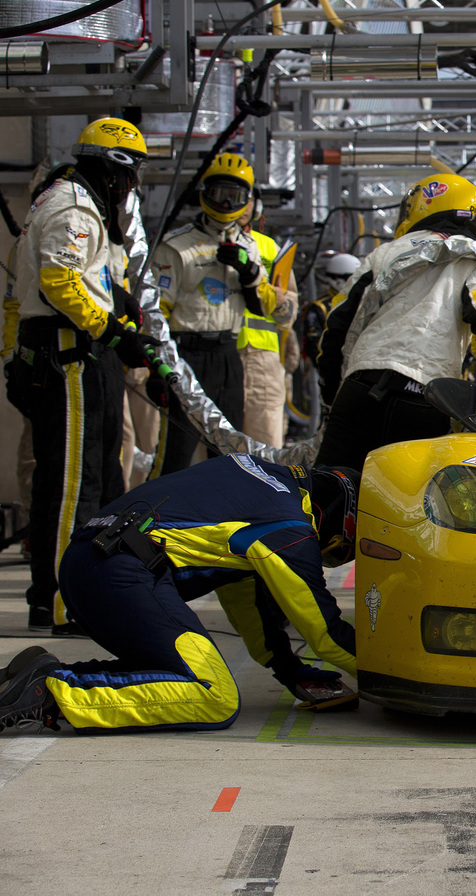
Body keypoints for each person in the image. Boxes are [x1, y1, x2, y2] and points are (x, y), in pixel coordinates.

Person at [0, 457, 359, 733]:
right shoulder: (290, 527)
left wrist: (289, 668)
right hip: (122, 572)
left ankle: (42, 676)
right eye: (342, 551)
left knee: (172, 672)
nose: (330, 559)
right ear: (345, 521)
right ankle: (50, 693)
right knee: (214, 696)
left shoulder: (255, 472)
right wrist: (398, 676)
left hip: (89, 561)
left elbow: (244, 593)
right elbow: (326, 635)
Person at [5, 118, 165, 633]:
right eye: (132, 172)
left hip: (86, 356)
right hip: (70, 355)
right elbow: (57, 280)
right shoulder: (71, 204)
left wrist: (118, 306)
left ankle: (87, 587)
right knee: (73, 485)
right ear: (113, 169)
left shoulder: (83, 206)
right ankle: (58, 600)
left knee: (104, 480)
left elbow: (79, 277)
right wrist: (114, 332)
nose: (132, 185)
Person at [315, 173, 476, 472]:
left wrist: (331, 396)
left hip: (360, 387)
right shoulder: (475, 258)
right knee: (411, 506)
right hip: (427, 396)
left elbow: (336, 325)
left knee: (329, 492)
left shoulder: (383, 253)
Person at [151, 154, 277, 476]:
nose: (224, 203)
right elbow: (156, 311)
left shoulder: (250, 247)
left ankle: (224, 521)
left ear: (247, 201)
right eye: (218, 193)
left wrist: (248, 272)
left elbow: (264, 308)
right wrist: (157, 366)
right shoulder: (176, 247)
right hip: (186, 353)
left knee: (228, 453)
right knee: (175, 454)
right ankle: (160, 521)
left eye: (233, 197)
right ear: (204, 192)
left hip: (228, 356)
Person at [236, 191, 298, 447]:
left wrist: (281, 301)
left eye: (244, 197)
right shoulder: (202, 243)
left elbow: (290, 313)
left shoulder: (269, 249)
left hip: (263, 360)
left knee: (266, 449)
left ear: (256, 205)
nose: (235, 203)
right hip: (215, 353)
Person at [298, 251, 361, 364]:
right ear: (337, 279)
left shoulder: (364, 303)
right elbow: (314, 345)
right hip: (334, 370)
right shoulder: (320, 308)